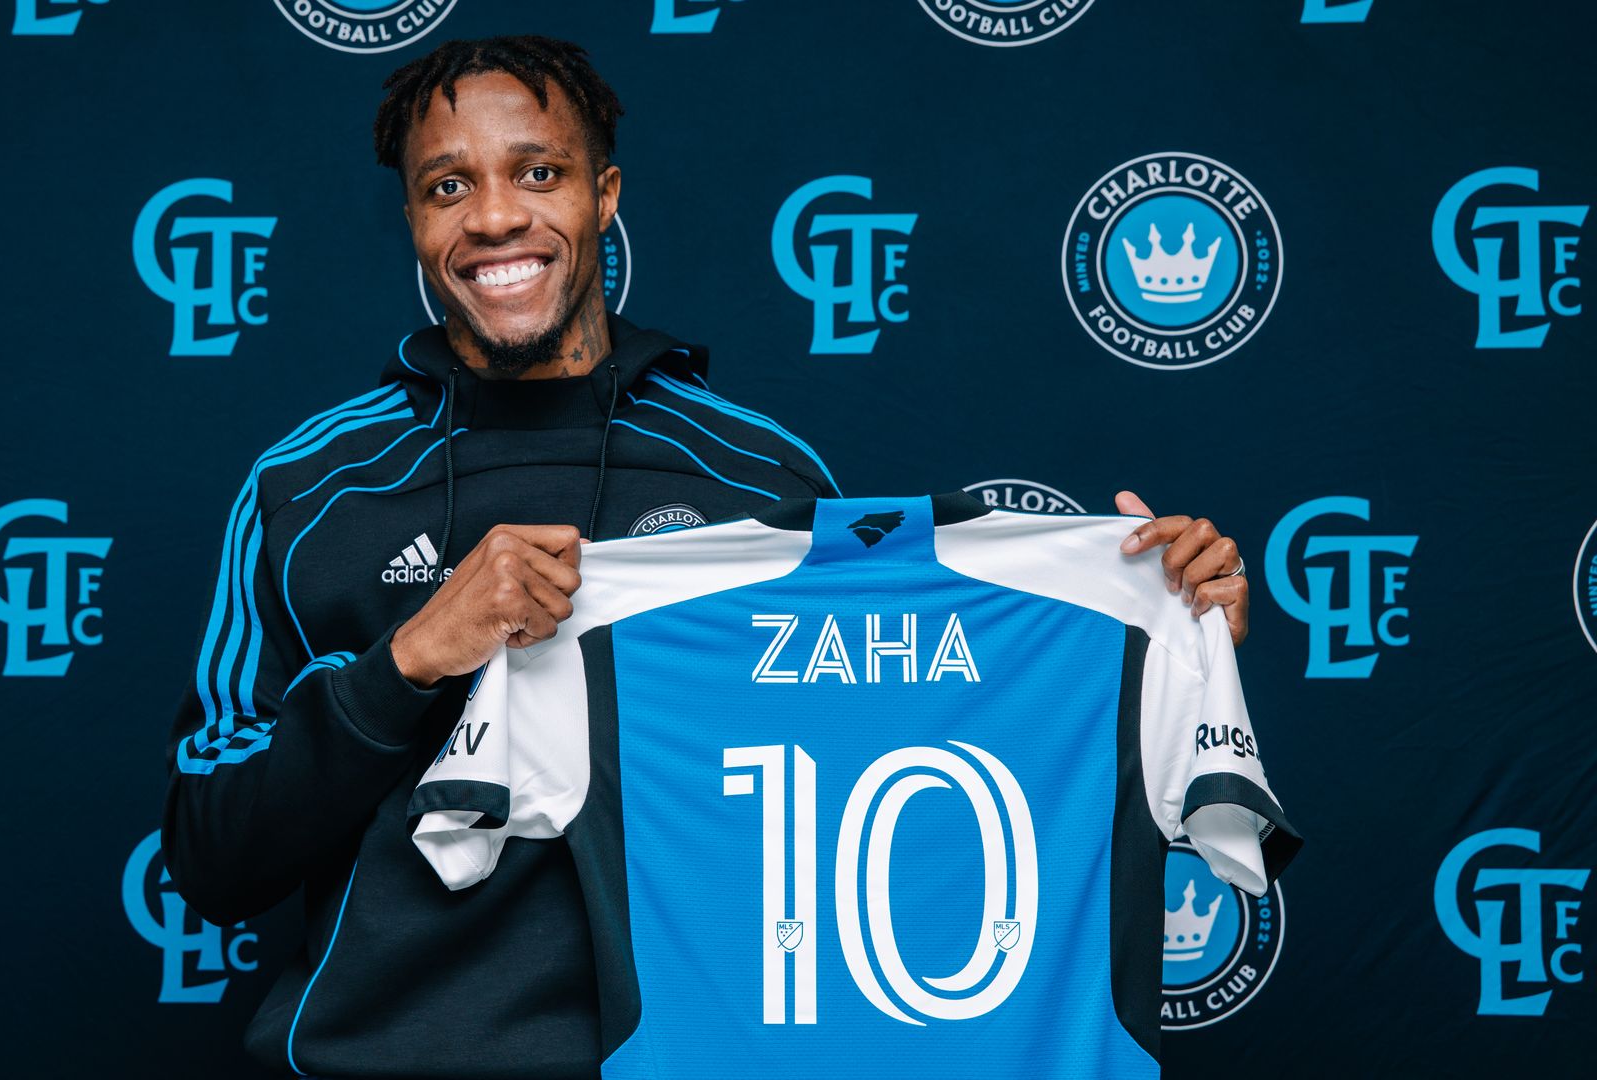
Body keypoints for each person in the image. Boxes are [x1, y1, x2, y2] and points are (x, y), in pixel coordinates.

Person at [161, 34, 1250, 1079]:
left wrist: (1151, 635)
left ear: (605, 195)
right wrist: (408, 662)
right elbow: (212, 859)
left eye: (538, 173)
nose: (495, 218)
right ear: (410, 217)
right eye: (448, 187)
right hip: (391, 1064)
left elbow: (900, 769)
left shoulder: (757, 479)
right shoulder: (308, 489)